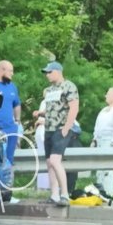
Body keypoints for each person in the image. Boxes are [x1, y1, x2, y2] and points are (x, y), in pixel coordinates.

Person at [37, 61, 79, 207]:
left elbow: (74, 107)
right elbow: (53, 109)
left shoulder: (69, 86)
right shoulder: (49, 90)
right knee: (49, 163)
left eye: (49, 72)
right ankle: (54, 195)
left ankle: (65, 194)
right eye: (46, 73)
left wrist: (66, 127)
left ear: (57, 72)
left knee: (55, 160)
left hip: (61, 128)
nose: (47, 75)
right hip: (48, 129)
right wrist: (40, 114)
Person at [91, 87, 113, 195]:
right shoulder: (103, 110)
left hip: (109, 141)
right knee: (99, 169)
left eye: (108, 94)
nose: (105, 96)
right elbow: (97, 126)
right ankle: (99, 191)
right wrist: (94, 140)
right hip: (100, 141)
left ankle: (108, 193)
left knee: (109, 170)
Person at [33, 89, 50, 191]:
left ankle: (47, 184)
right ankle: (42, 184)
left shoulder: (52, 103)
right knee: (40, 157)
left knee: (47, 157)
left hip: (45, 131)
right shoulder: (43, 102)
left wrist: (40, 118)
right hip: (40, 132)